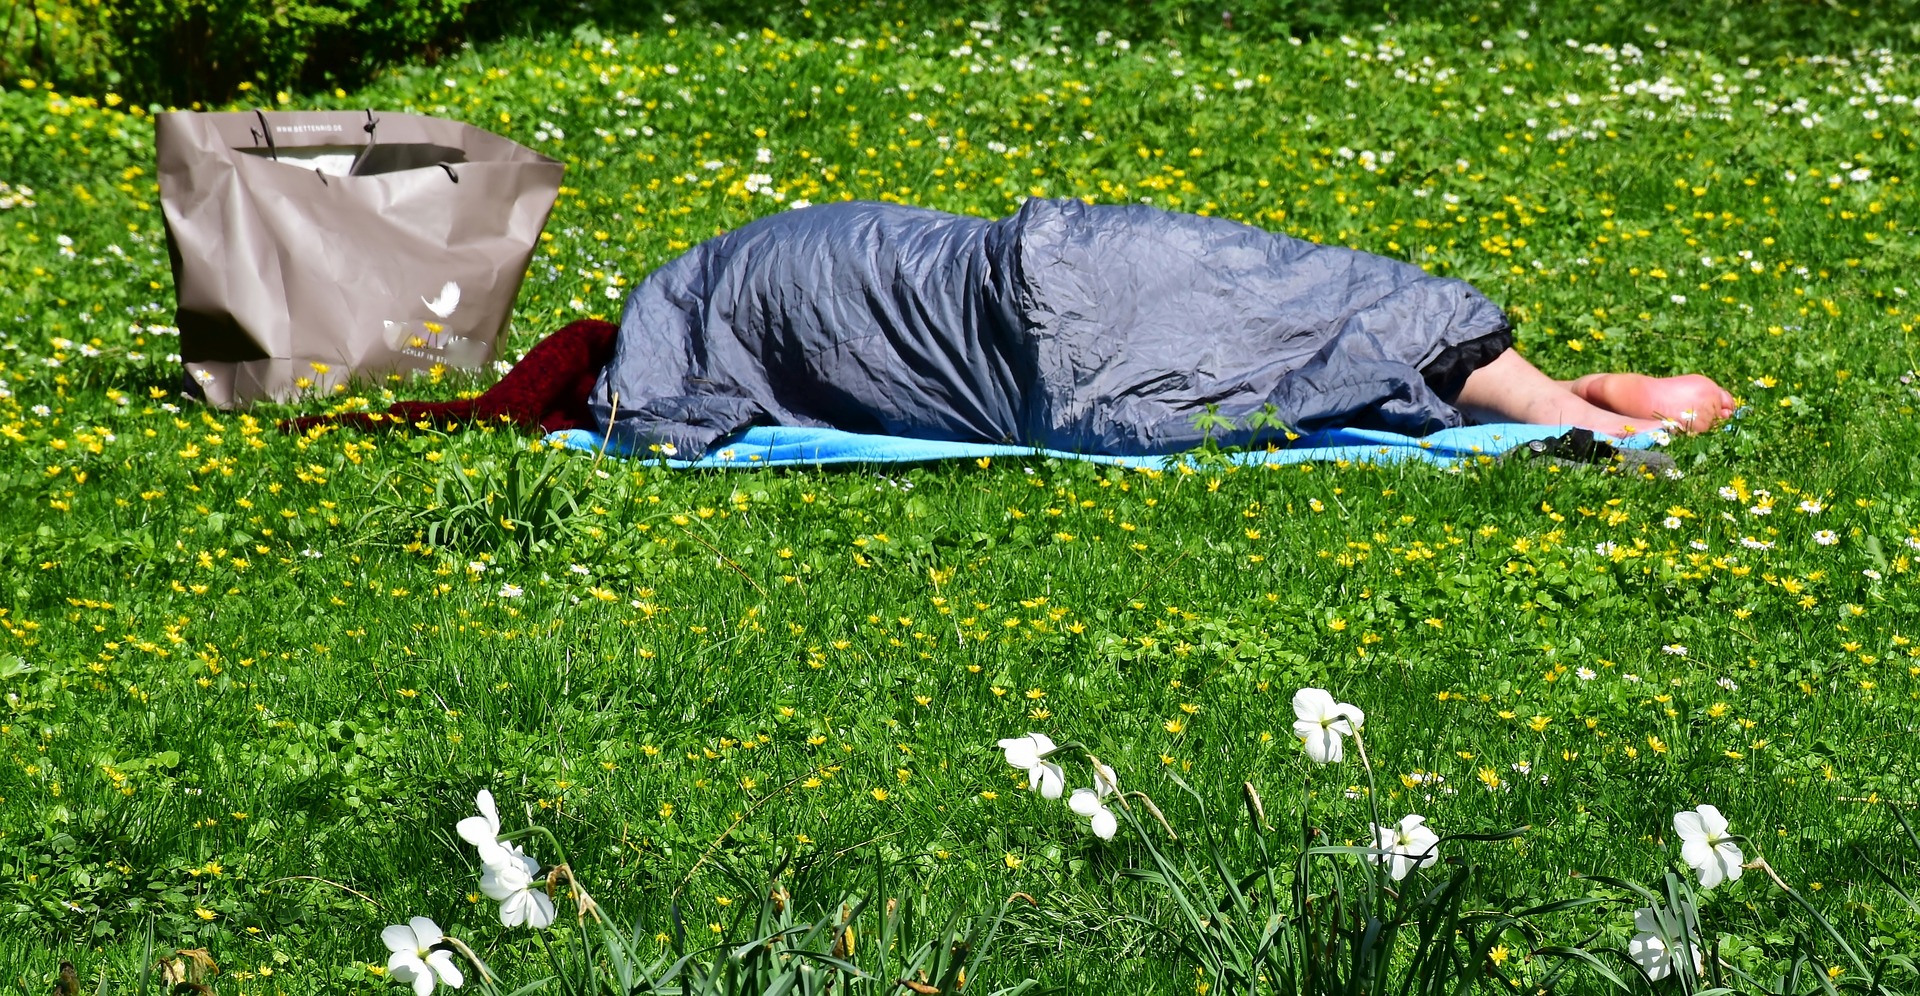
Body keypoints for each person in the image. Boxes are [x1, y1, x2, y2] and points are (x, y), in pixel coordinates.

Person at [570, 197, 1731, 457]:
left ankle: (1557, 404)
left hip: (1020, 295)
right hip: (1034, 259)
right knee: (1281, 294)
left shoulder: (696, 307)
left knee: (1237, 337)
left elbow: (665, 414)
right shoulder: (719, 277)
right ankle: (1548, 393)